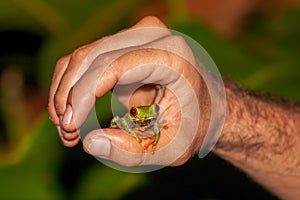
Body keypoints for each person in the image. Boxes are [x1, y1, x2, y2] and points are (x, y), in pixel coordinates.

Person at [48, 16, 300, 199]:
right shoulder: (129, 118)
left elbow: (154, 124)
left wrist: (216, 110)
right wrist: (221, 109)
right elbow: (122, 122)